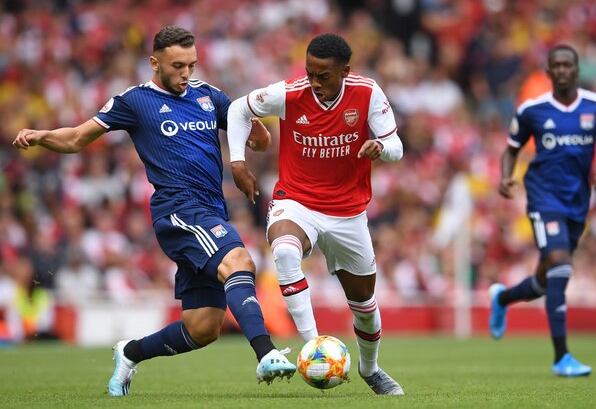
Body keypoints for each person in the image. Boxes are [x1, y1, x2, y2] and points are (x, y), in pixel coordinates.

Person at [12, 26, 295, 396]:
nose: (185, 74)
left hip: (210, 212)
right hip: (177, 210)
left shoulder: (210, 96)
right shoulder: (134, 101)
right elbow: (78, 137)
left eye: (191, 65)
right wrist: (41, 135)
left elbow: (259, 138)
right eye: (177, 65)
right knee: (239, 260)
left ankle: (129, 353)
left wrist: (249, 133)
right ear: (154, 62)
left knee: (203, 327)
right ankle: (266, 353)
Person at [227, 33, 404, 395]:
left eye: (323, 76)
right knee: (286, 252)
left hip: (348, 212)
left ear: (345, 72)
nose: (315, 82)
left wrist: (380, 147)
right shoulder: (289, 94)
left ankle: (371, 370)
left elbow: (397, 147)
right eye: (310, 73)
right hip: (297, 201)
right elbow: (238, 109)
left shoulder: (368, 93)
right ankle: (314, 349)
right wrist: (238, 161)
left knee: (365, 306)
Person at [489, 44, 596, 377]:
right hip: (543, 197)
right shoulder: (532, 110)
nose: (562, 70)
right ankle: (562, 357)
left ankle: (502, 299)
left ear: (577, 70)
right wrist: (506, 176)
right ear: (548, 73)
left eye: (568, 65)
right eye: (556, 66)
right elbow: (511, 149)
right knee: (561, 265)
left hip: (578, 202)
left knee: (547, 280)